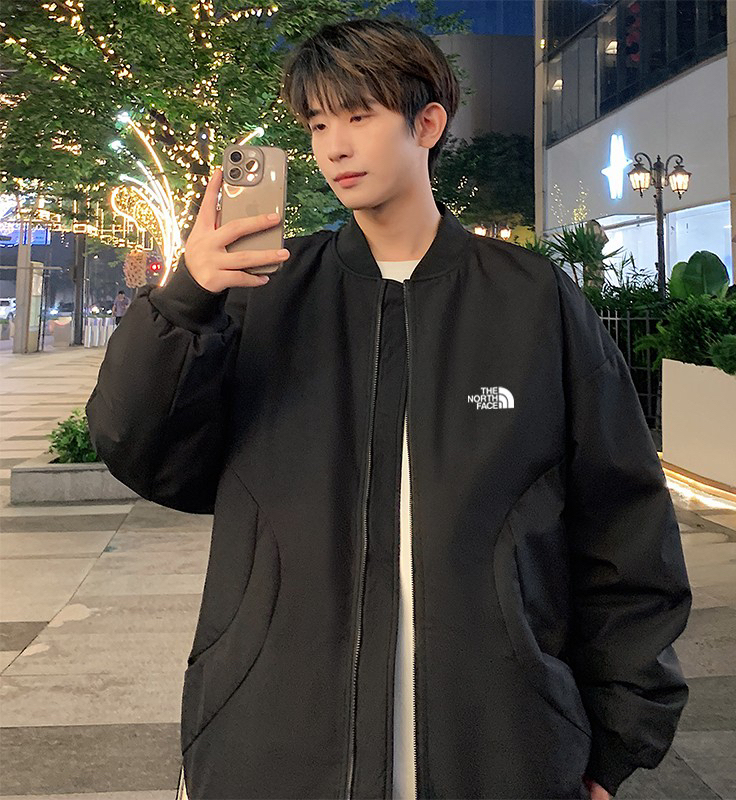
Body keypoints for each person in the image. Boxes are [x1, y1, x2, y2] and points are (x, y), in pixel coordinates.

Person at [85, 18, 692, 800]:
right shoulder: (264, 299)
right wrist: (185, 299)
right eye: (317, 125)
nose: (334, 146)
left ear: (427, 124)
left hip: (499, 749)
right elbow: (141, 449)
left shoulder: (530, 300)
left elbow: (625, 526)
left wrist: (613, 742)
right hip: (275, 747)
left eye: (359, 116)